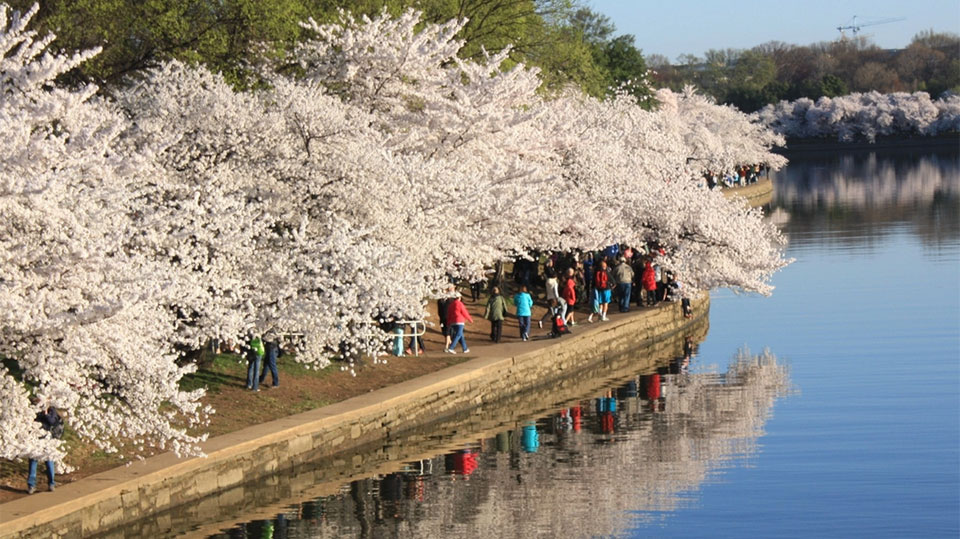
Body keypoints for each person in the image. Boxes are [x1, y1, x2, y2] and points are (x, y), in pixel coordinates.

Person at [27, 403, 62, 494]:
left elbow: (52, 421)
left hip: (47, 439)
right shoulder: (34, 410)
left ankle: (51, 483)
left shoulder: (52, 410)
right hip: (35, 439)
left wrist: (46, 413)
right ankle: (31, 485)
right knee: (33, 462)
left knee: (49, 461)